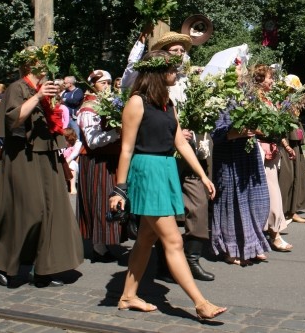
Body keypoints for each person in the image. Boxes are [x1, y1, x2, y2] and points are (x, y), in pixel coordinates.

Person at [108, 50, 225, 320]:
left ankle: (128, 296)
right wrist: (120, 189)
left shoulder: (167, 103)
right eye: (173, 69)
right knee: (173, 241)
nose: (178, 72)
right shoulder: (136, 102)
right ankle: (200, 302)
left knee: (147, 238)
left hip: (165, 169)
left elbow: (181, 142)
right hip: (147, 172)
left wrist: (203, 176)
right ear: (159, 72)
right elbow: (125, 150)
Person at [0, 45, 84, 288]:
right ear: (28, 64)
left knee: (52, 211)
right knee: (27, 212)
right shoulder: (18, 87)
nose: (46, 65)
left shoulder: (44, 87)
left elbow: (54, 120)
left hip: (46, 155)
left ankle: (45, 268)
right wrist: (37, 97)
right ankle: (7, 264)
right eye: (41, 60)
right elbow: (13, 118)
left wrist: (50, 98)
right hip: (22, 157)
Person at [210, 68, 271, 266]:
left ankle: (253, 244)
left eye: (243, 70)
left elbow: (262, 127)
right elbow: (215, 134)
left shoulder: (249, 97)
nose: (242, 74)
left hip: (249, 154)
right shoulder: (218, 99)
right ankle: (230, 249)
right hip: (229, 157)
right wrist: (235, 133)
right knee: (232, 203)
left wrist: (258, 129)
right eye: (237, 71)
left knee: (257, 199)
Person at [76, 70, 123, 262]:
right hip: (96, 160)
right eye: (102, 83)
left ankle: (106, 241)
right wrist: (118, 133)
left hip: (110, 158)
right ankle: (98, 246)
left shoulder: (108, 103)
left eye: (109, 82)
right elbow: (93, 140)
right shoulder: (88, 108)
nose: (107, 86)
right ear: (92, 85)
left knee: (110, 198)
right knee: (99, 200)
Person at [253, 64, 293, 253]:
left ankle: (271, 232)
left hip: (272, 150)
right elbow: (253, 127)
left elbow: (276, 127)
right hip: (260, 150)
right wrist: (266, 135)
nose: (272, 81)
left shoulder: (268, 100)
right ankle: (274, 235)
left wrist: (286, 145)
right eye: (269, 77)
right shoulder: (253, 100)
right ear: (260, 79)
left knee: (271, 191)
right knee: (268, 193)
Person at [278, 74, 305, 225]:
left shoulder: (291, 102)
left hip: (294, 143)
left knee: (297, 175)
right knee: (288, 176)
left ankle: (292, 210)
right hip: (287, 143)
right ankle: (286, 210)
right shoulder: (284, 103)